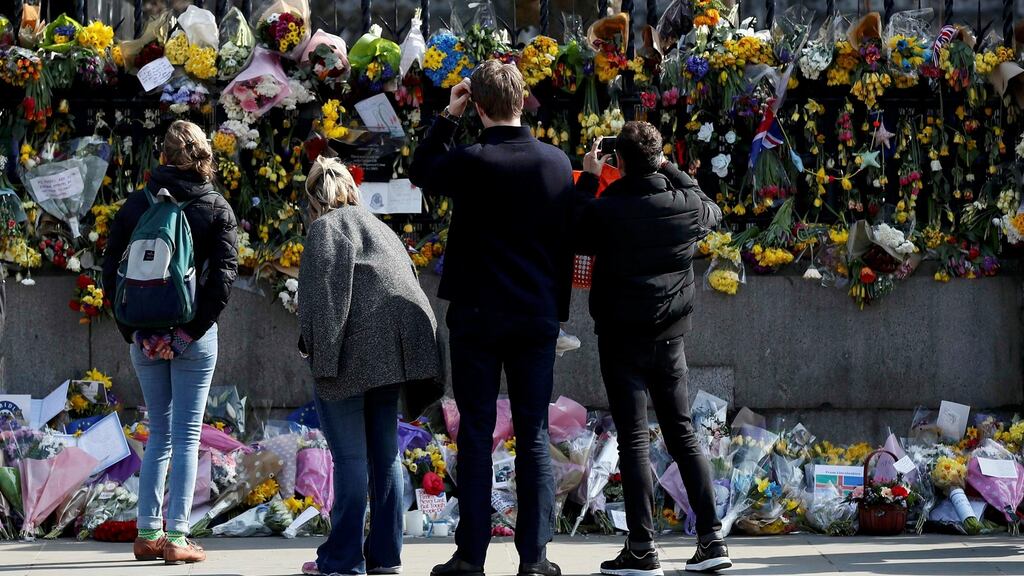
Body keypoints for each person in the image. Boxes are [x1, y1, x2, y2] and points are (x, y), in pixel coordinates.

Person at [409, 60, 575, 576]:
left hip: (478, 314)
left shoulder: (472, 159)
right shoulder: (553, 162)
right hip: (535, 313)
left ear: (478, 106)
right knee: (531, 435)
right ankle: (535, 557)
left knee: (477, 433)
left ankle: (470, 555)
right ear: (523, 102)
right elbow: (566, 238)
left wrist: (445, 116)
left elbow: (421, 172)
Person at [575, 122, 732, 575]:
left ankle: (643, 547)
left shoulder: (607, 209)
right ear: (659, 157)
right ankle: (711, 539)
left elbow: (575, 225)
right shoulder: (684, 206)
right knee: (683, 433)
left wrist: (588, 174)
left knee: (634, 440)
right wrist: (672, 168)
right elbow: (712, 209)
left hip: (621, 336)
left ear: (617, 162)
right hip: (669, 337)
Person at [102, 120, 238, 565]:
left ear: (161, 156)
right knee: (187, 434)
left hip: (143, 338)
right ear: (203, 157)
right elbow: (222, 280)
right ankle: (178, 535)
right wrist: (188, 333)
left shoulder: (136, 205)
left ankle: (147, 533)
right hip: (192, 339)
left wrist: (135, 334)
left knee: (158, 431)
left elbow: (111, 273)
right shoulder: (214, 207)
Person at [297, 156, 440, 576]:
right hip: (395, 354)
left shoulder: (325, 228)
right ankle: (385, 557)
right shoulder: (380, 226)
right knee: (385, 457)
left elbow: (324, 301)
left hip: (352, 354)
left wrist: (316, 353)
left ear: (313, 198)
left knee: (351, 460)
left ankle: (342, 559)